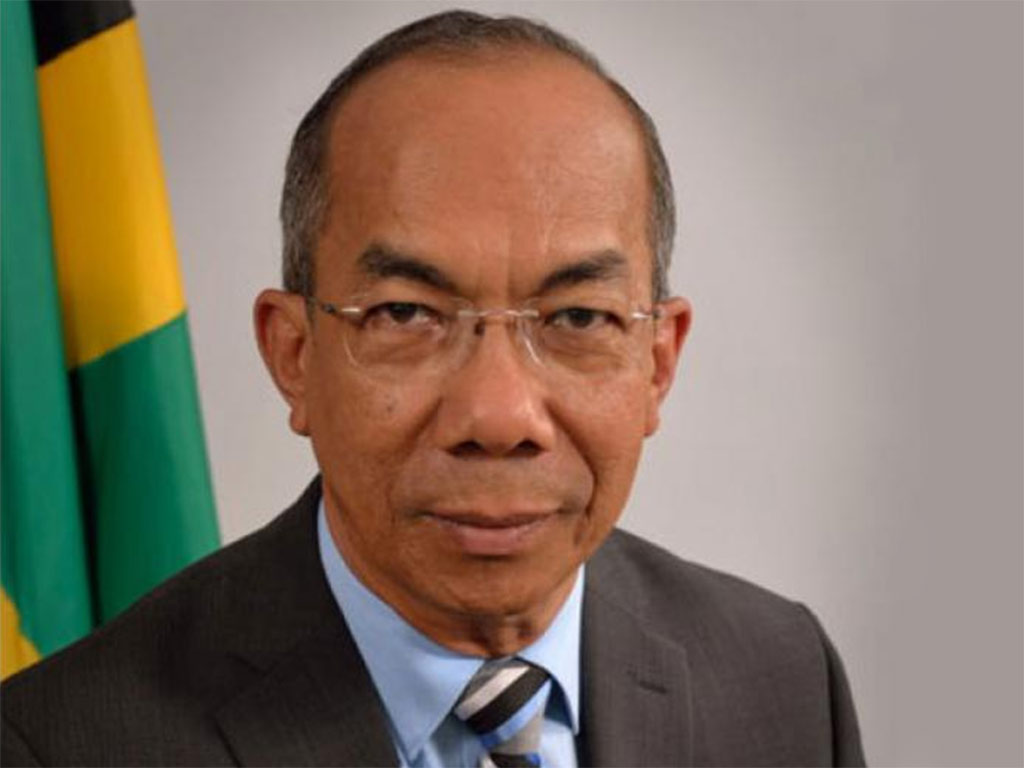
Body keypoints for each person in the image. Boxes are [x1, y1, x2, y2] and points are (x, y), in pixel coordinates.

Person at [1, 10, 865, 767]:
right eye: (408, 313)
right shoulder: (61, 745)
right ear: (293, 355)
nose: (499, 416)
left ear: (658, 362)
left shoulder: (781, 679)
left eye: (577, 318)